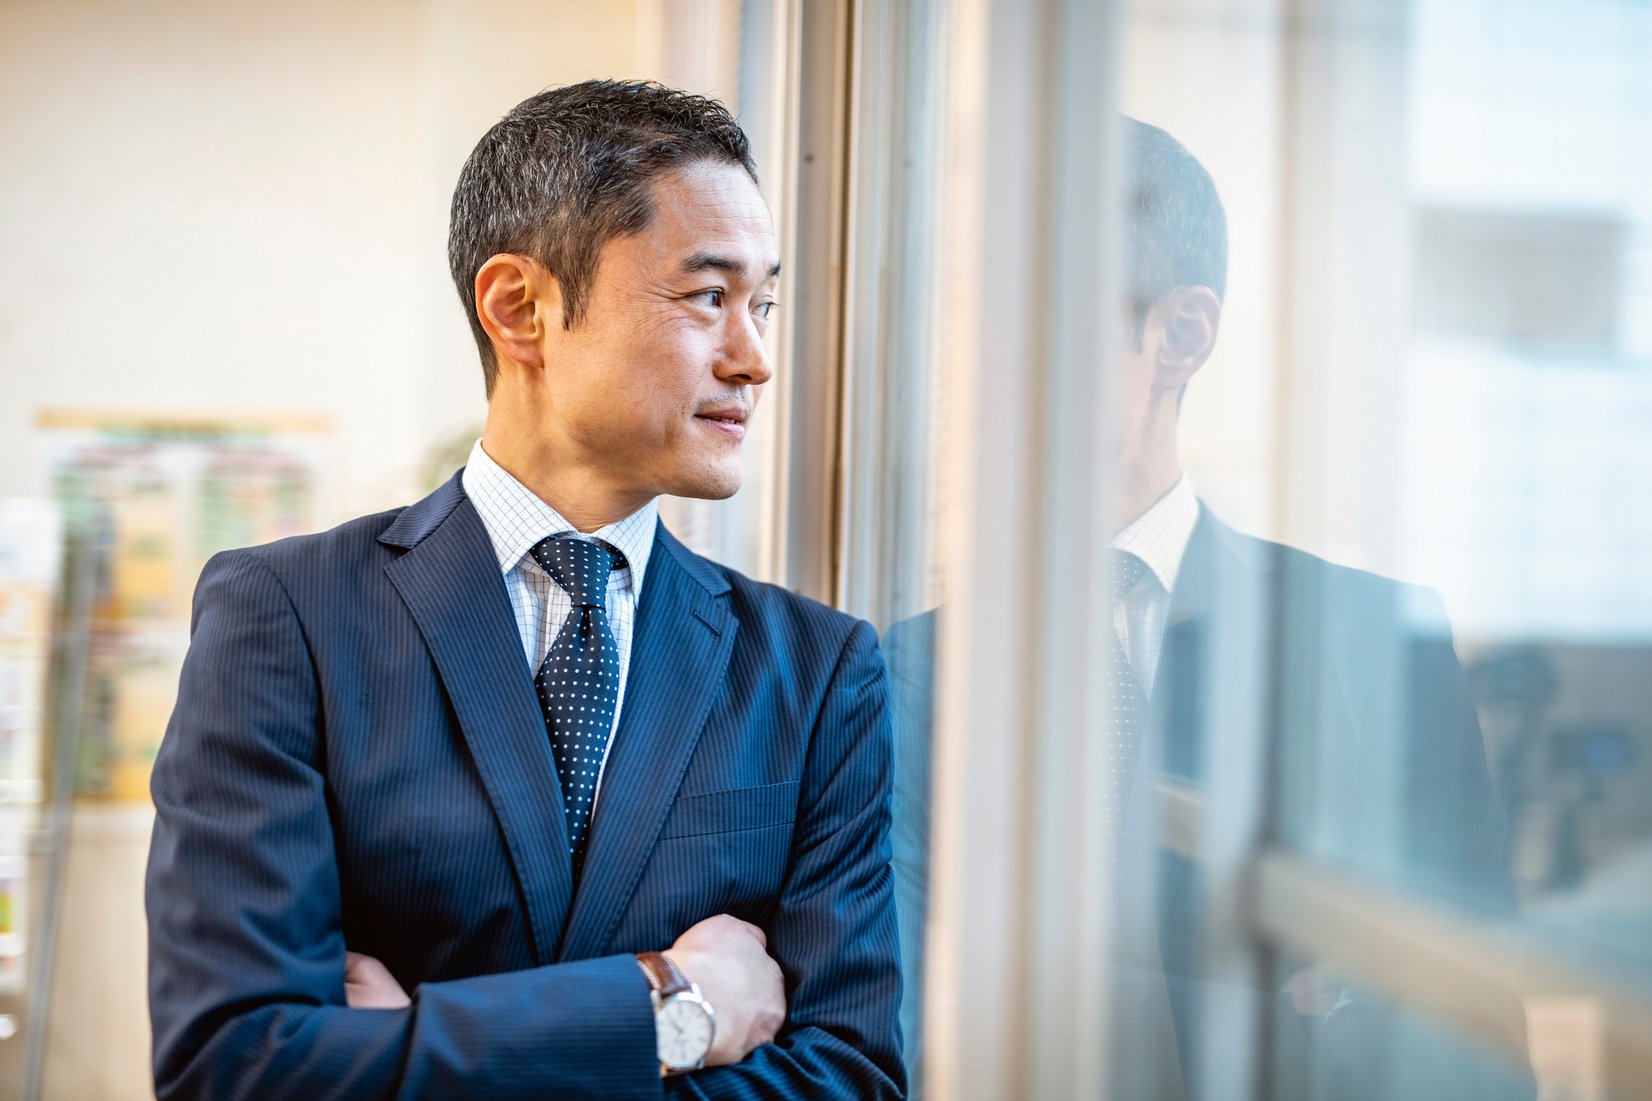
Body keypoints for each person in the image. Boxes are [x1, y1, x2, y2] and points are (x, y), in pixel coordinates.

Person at [145, 80, 904, 1101]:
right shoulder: (285, 617)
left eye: (762, 304)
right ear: (521, 309)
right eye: (708, 297)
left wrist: (411, 1040)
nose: (754, 358)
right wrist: (669, 1003)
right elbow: (235, 1067)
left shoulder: (817, 672)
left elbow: (846, 1079)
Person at [885, 118, 1532, 1100]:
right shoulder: (904, 670)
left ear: (1177, 334)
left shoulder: (1366, 641)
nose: (965, 372)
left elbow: (1468, 1038)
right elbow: (895, 1027)